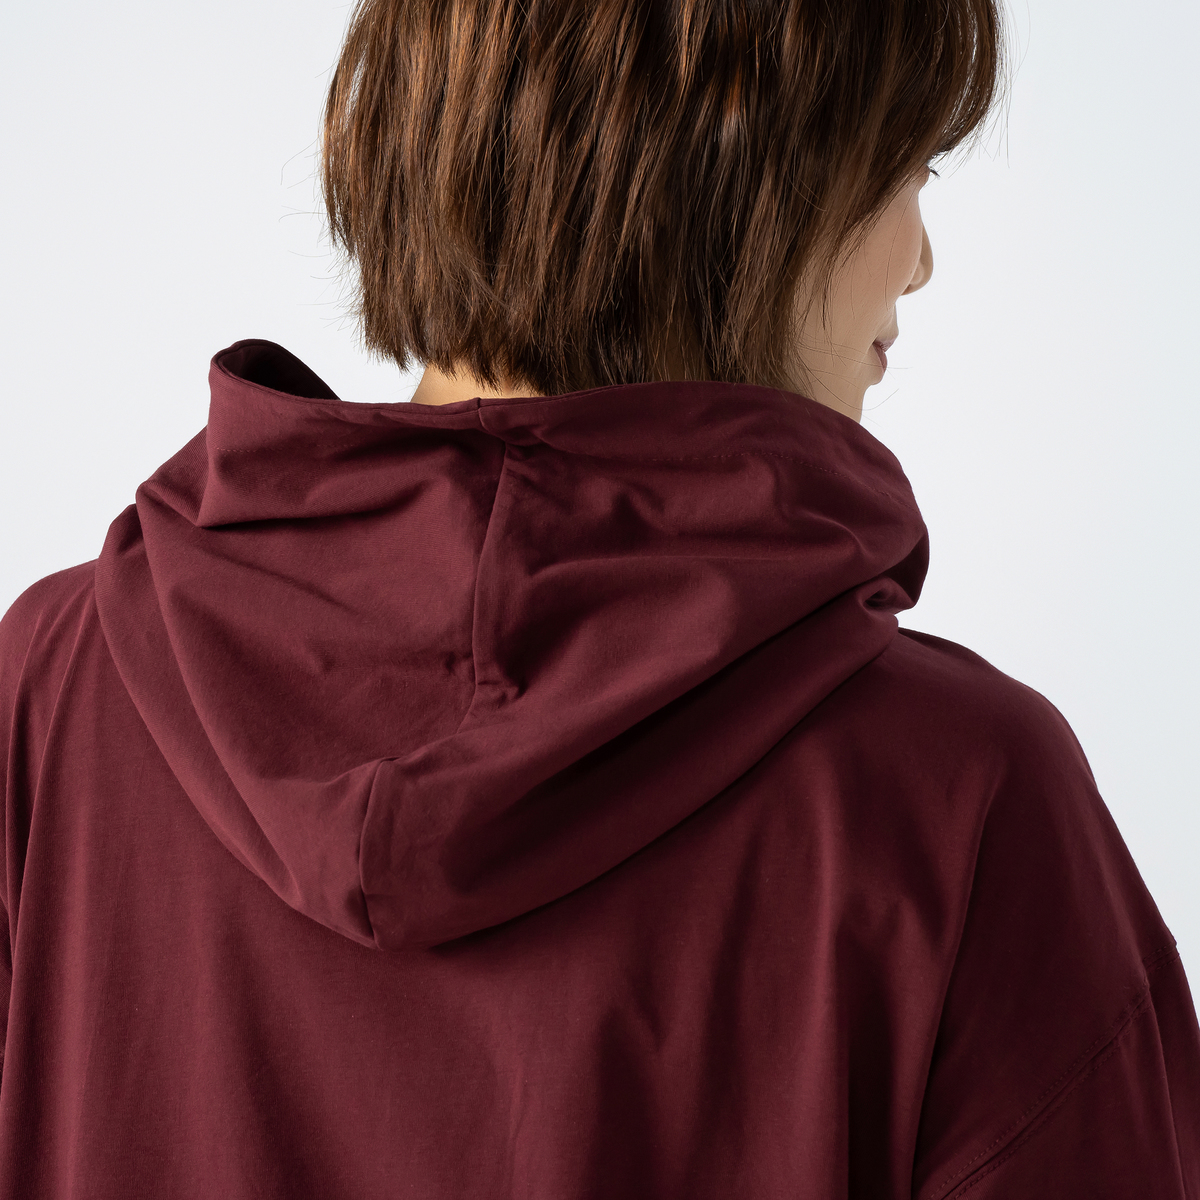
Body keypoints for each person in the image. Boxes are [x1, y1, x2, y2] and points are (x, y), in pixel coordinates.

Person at [1, 0, 1197, 1197]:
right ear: (745, 183)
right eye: (907, 174)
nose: (922, 261)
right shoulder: (962, 796)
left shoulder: (56, 687)